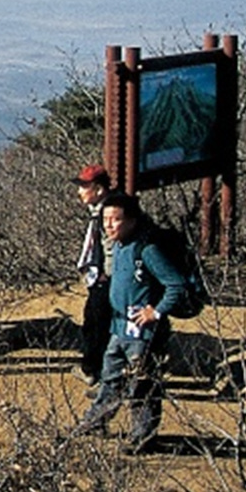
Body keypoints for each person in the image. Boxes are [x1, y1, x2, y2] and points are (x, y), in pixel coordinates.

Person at [78, 191, 199, 450]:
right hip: (119, 328)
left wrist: (155, 312)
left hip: (144, 332)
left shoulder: (148, 249)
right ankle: (95, 421)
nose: (109, 225)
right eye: (106, 220)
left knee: (141, 385)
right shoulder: (120, 246)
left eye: (116, 219)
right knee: (110, 378)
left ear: (132, 220)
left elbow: (175, 284)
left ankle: (143, 437)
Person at [71, 165, 115, 384]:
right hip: (109, 276)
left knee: (96, 324)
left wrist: (106, 275)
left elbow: (112, 247)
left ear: (98, 189)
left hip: (107, 278)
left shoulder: (109, 213)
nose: (80, 192)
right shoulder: (105, 208)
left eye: (84, 187)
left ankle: (93, 371)